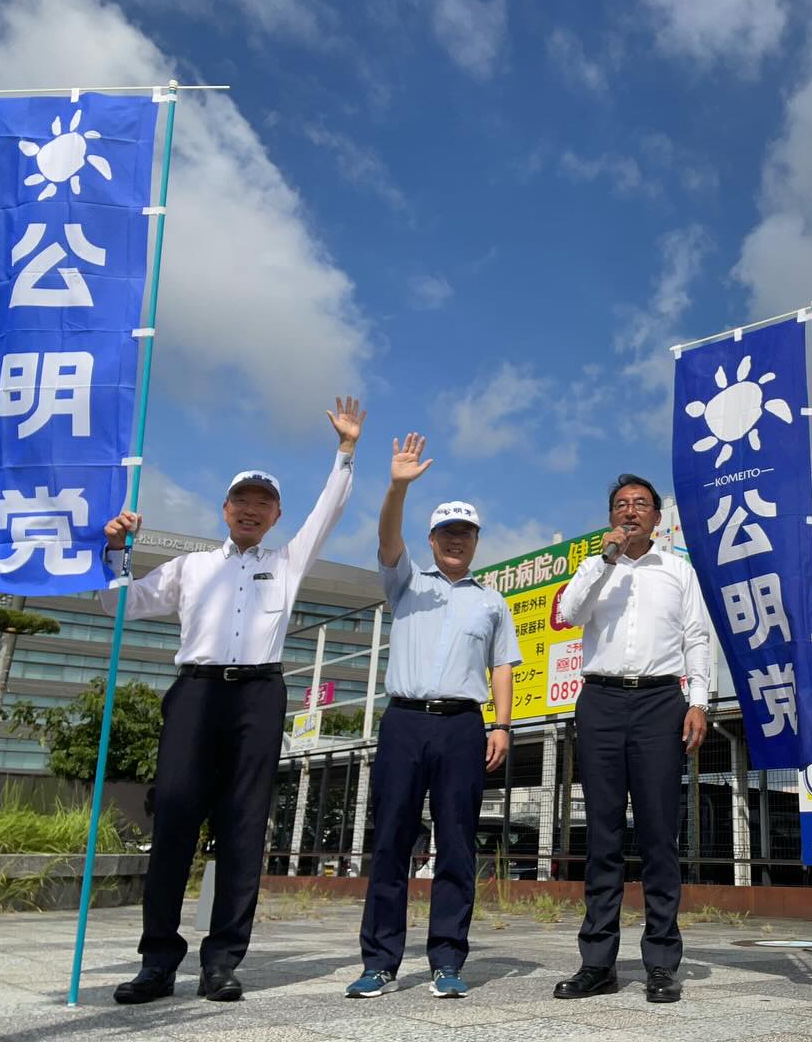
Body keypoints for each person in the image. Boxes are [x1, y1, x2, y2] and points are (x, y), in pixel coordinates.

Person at [107, 396, 365, 1004]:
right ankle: (158, 962)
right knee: (173, 817)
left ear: (276, 516)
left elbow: (329, 511)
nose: (251, 510)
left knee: (244, 827)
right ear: (225, 509)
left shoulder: (287, 562)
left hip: (258, 694)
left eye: (263, 503)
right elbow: (120, 603)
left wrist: (346, 451)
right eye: (242, 501)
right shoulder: (189, 567)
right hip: (195, 692)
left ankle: (222, 961)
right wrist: (116, 549)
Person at [346, 432, 520, 999]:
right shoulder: (406, 582)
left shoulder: (491, 601)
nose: (455, 542)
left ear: (475, 542)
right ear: (432, 538)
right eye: (446, 533)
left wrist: (501, 724)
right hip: (404, 721)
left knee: (458, 842)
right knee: (392, 839)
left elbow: (502, 666)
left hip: (463, 727)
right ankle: (379, 962)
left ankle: (447, 959)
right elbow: (386, 537)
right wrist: (397, 486)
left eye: (464, 535)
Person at [552, 473, 710, 1004]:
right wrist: (605, 559)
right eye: (621, 504)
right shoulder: (596, 567)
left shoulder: (678, 572)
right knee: (601, 835)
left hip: (661, 702)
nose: (631, 511)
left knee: (659, 833)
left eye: (641, 504)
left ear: (657, 518)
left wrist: (700, 701)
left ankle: (662, 962)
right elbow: (569, 614)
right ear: (611, 516)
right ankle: (597, 962)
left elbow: (696, 638)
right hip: (600, 700)